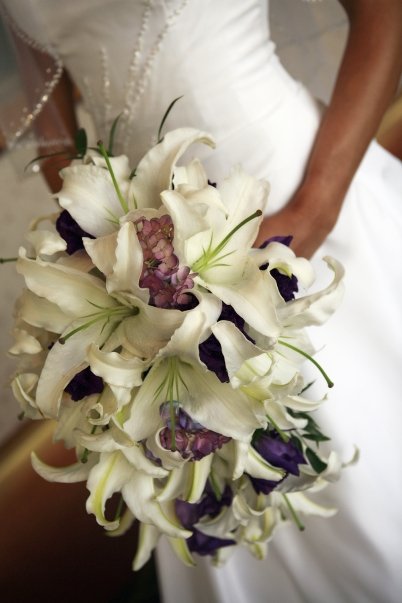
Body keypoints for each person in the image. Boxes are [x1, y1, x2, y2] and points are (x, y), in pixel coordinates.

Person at [1, 1, 402, 601]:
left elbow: (383, 14)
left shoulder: (307, 207)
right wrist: (99, 250)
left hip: (289, 192)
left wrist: (315, 207)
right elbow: (56, 130)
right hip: (139, 260)